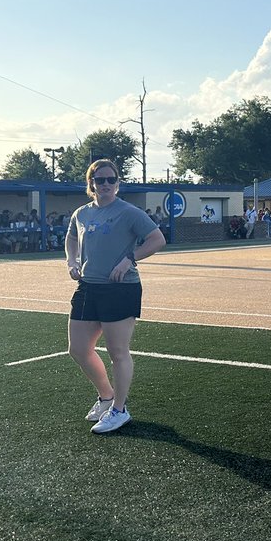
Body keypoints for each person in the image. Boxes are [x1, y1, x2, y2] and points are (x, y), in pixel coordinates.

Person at [65, 160, 166, 435]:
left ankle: (119, 410)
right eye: (100, 180)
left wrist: (130, 259)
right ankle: (106, 397)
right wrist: (71, 262)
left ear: (118, 183)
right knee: (78, 349)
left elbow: (157, 239)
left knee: (118, 352)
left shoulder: (129, 212)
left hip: (120, 288)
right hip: (88, 286)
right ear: (92, 184)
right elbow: (71, 238)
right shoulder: (81, 213)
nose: (106, 184)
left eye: (111, 179)